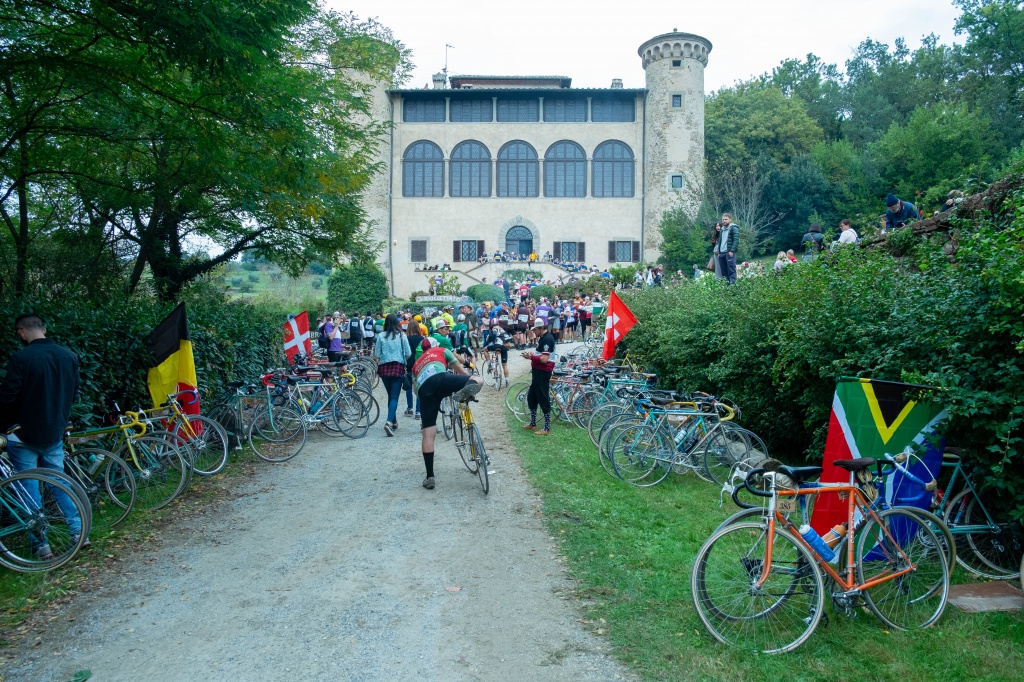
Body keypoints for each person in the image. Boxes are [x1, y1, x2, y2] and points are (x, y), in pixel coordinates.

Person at [0, 313, 84, 555]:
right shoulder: (69, 356)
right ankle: (79, 532)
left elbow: (8, 396)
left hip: (23, 434)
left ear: (21, 332)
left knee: (29, 488)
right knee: (60, 482)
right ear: (44, 329)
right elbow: (74, 394)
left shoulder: (21, 358)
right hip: (54, 431)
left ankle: (41, 545)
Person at [413, 337, 483, 490]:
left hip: (424, 391)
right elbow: (461, 370)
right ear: (435, 346)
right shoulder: (441, 350)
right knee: (477, 379)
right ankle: (462, 395)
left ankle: (430, 476)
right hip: (441, 378)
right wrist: (466, 379)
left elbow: (415, 389)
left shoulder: (416, 364)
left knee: (428, 433)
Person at [374, 314, 412, 437]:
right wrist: (402, 359)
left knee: (390, 395)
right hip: (397, 366)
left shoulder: (380, 336)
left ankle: (394, 422)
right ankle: (389, 422)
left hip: (384, 367)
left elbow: (377, 354)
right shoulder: (401, 335)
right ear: (397, 323)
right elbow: (408, 352)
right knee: (394, 396)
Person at [521, 318, 556, 435]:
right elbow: (540, 356)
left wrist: (530, 357)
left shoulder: (547, 339)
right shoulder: (542, 339)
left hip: (542, 372)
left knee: (543, 397)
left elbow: (544, 359)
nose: (534, 332)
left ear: (541, 328)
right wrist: (532, 356)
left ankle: (547, 427)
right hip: (537, 371)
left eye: (535, 330)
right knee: (532, 397)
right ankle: (533, 423)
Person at [405, 320, 424, 419]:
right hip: (419, 366)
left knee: (408, 388)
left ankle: (410, 408)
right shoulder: (422, 338)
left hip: (408, 366)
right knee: (418, 389)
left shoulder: (406, 338)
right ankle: (418, 411)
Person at [714, 213, 740, 284]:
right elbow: (720, 241)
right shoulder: (722, 229)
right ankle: (727, 287)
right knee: (724, 271)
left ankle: (733, 286)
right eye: (723, 219)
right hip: (721, 253)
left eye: (726, 219)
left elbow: (736, 240)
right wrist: (719, 252)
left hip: (729, 252)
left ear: (730, 220)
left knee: (731, 269)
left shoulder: (734, 228)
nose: (724, 221)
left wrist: (732, 250)